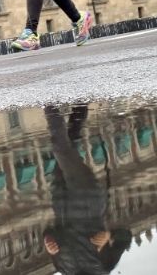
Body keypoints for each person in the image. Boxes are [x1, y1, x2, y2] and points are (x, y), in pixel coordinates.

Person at [43, 104, 132, 274]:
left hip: (61, 201)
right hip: (87, 201)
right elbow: (125, 237)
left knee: (70, 141)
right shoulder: (105, 266)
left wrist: (48, 240)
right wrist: (109, 235)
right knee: (61, 149)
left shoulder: (62, 268)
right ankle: (48, 102)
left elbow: (52, 233)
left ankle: (80, 105)